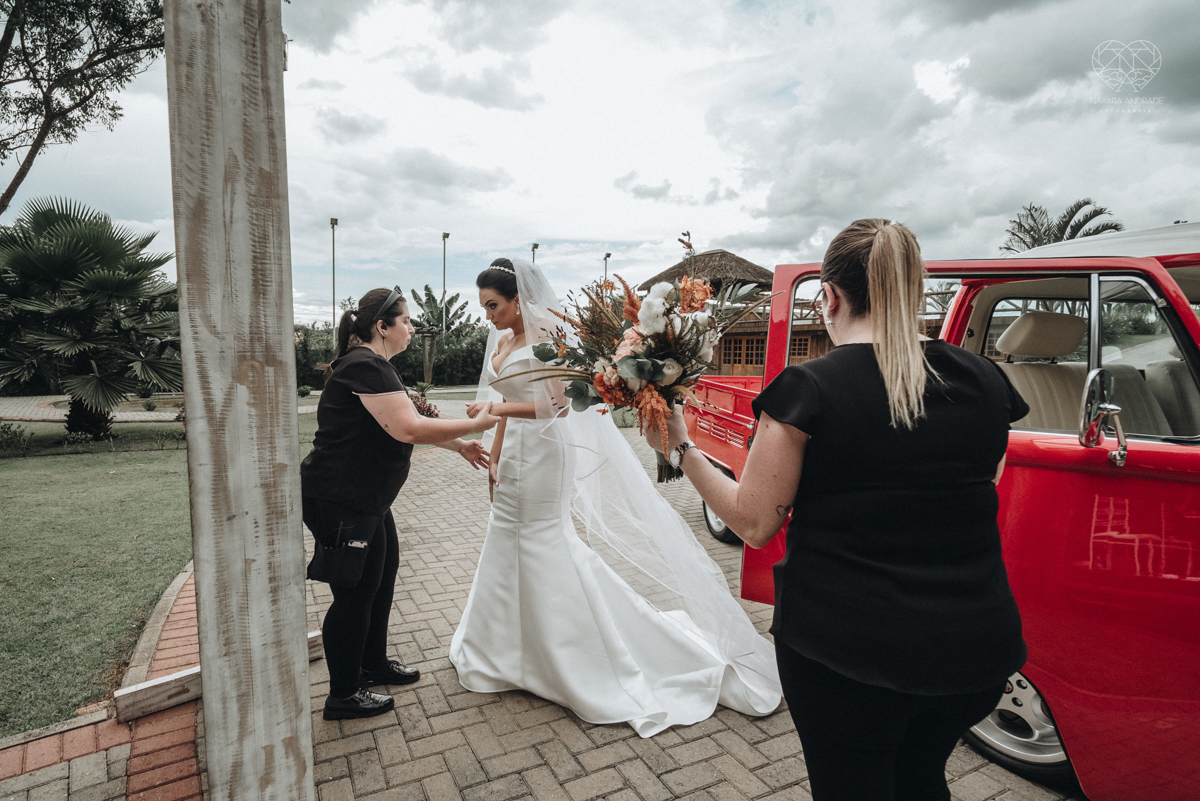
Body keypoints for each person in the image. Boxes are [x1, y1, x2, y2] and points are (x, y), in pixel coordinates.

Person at [644, 219, 1028, 800]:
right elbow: (984, 484)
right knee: (922, 778)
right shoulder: (987, 381)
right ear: (914, 289)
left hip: (849, 655)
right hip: (976, 650)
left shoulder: (809, 390)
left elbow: (752, 522)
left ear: (830, 296)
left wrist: (681, 447)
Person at [448, 258, 781, 737]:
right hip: (515, 449)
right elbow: (502, 413)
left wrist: (496, 407)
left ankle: (572, 652)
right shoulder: (501, 341)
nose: (488, 316)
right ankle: (504, 648)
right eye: (483, 307)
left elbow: (560, 406)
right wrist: (496, 455)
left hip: (544, 454)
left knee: (543, 539)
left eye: (494, 305)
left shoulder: (547, 340)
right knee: (506, 537)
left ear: (520, 300)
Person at [301, 286, 500, 720]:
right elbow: (409, 429)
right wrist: (478, 421)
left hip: (366, 498)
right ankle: (344, 694)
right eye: (406, 321)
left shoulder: (375, 367)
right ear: (382, 327)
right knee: (354, 594)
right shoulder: (365, 366)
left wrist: (461, 443)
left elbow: (402, 422)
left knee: (382, 576)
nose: (411, 328)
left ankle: (371, 664)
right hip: (341, 499)